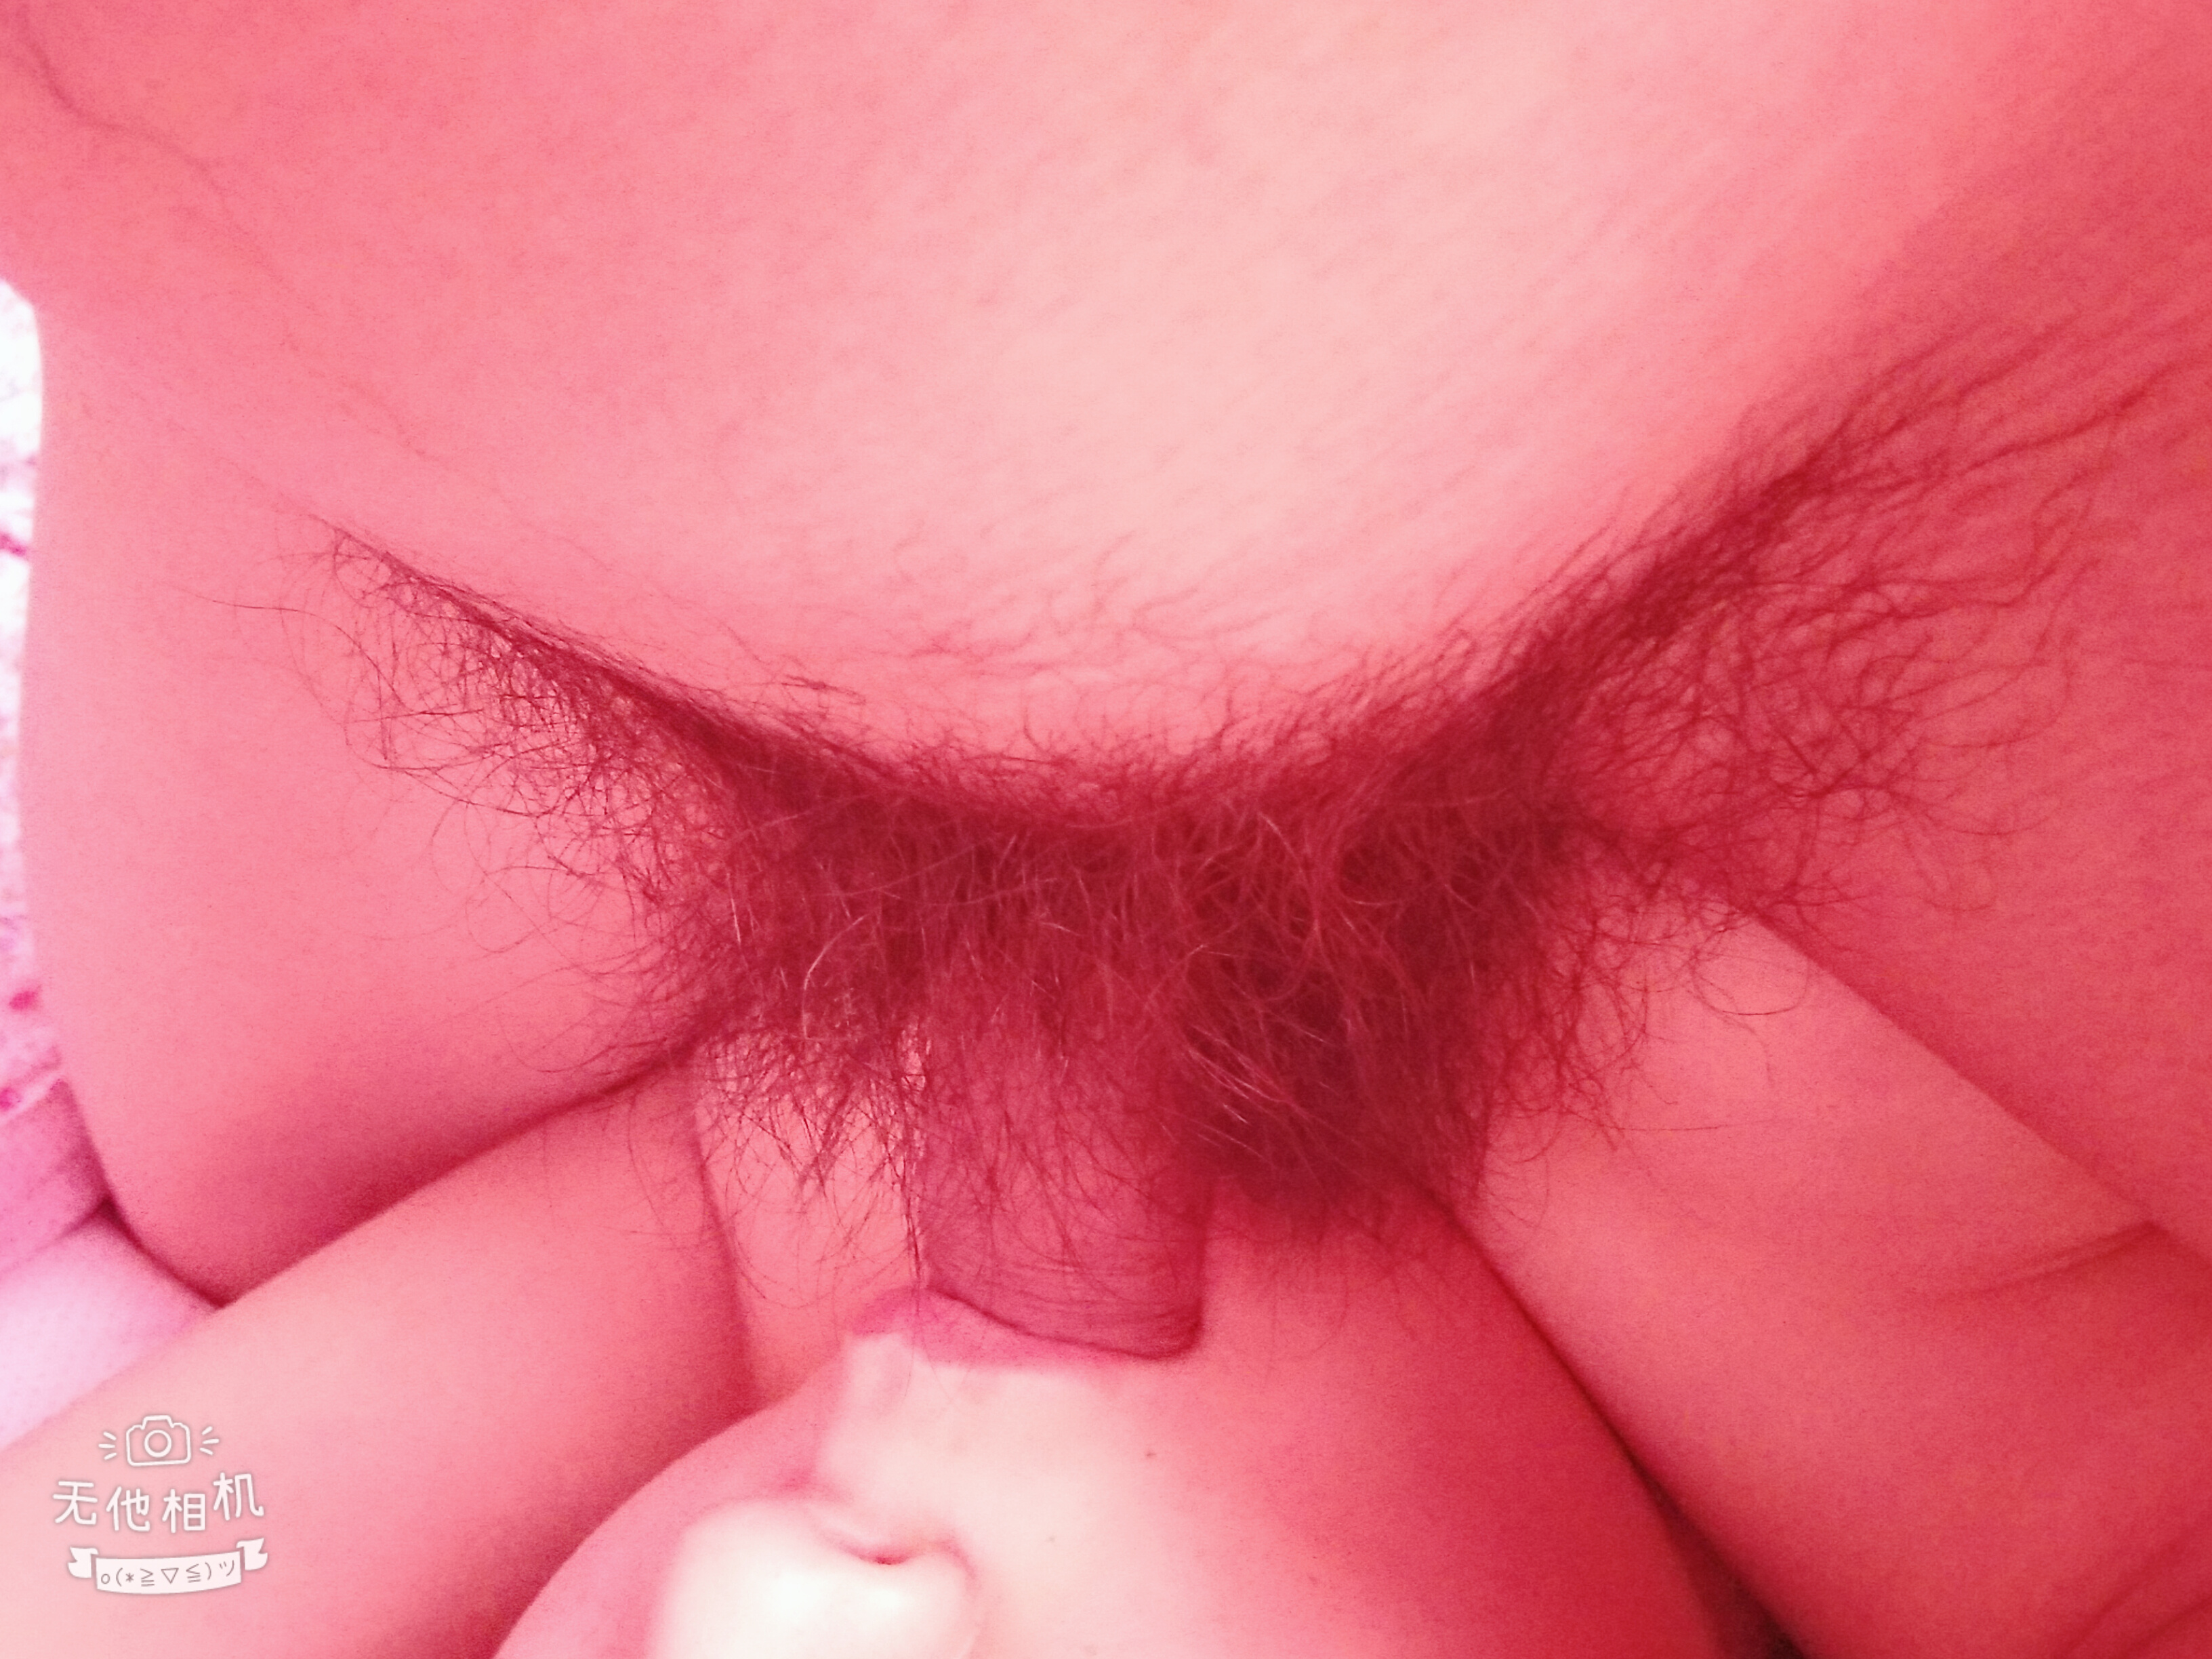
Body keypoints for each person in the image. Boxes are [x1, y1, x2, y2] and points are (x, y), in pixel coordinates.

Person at [0, 1, 2209, 1654]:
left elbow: (123, 1549)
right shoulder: (2037, 1472)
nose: (760, 1598)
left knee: (263, 1159)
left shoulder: (521, 1227)